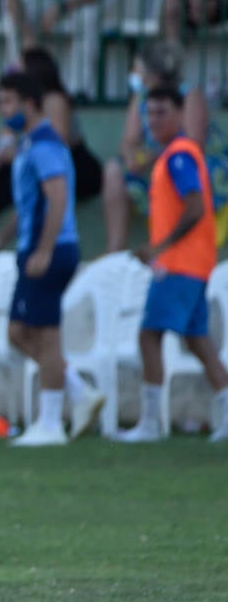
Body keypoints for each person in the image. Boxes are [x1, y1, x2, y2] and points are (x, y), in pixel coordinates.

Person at [0, 72, 107, 446]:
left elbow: (57, 197)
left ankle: (51, 425)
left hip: (51, 250)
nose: (2, 110)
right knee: (19, 332)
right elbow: (29, 205)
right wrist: (1, 240)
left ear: (30, 103)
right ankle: (78, 392)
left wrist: (43, 249)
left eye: (9, 101)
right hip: (34, 247)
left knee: (45, 334)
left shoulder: (44, 144)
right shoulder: (28, 143)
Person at [116, 86, 228, 443]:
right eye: (149, 114)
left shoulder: (180, 156)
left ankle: (150, 424)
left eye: (161, 112)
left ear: (180, 114)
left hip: (179, 264)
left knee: (149, 335)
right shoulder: (173, 155)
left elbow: (195, 207)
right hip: (194, 263)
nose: (153, 121)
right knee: (199, 342)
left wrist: (158, 248)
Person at [0, 47, 104, 257]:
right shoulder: (19, 106)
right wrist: (1, 154)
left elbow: (57, 147)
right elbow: (7, 139)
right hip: (33, 163)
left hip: (75, 166)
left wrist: (43, 252)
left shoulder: (54, 100)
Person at [101, 39, 226, 252]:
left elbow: (192, 145)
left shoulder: (190, 95)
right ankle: (116, 249)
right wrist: (132, 157)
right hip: (154, 169)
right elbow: (129, 141)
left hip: (190, 170)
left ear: (154, 73)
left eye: (139, 69)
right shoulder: (141, 97)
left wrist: (152, 157)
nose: (136, 75)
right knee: (113, 170)